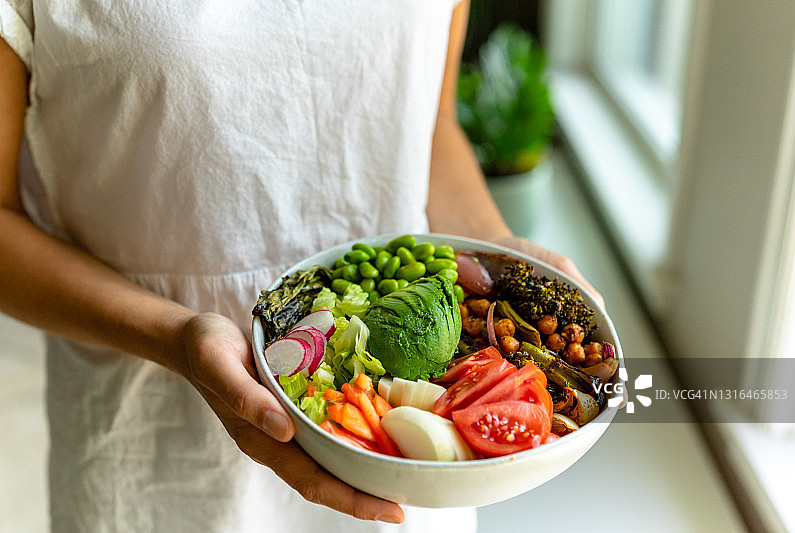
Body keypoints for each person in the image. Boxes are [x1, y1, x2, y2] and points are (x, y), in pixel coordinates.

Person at [0, 1, 601, 531]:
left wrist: (501, 258)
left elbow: (430, 125)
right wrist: (177, 337)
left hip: (402, 431)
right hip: (151, 434)